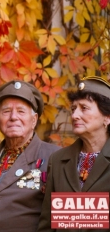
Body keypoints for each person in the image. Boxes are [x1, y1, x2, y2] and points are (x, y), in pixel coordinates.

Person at [0, 80, 60, 232]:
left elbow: (65, 224)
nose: (13, 117)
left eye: (21, 111)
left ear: (34, 120)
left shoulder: (56, 158)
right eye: (6, 111)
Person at [38, 76, 110, 232]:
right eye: (73, 109)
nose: (75, 115)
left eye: (84, 108)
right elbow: (48, 225)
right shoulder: (58, 160)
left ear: (107, 117)